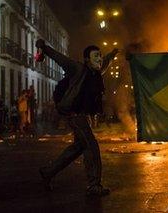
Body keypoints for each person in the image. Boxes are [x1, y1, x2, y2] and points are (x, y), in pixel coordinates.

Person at [36, 39, 118, 197]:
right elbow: (60, 58)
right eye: (96, 56)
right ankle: (94, 185)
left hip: (83, 116)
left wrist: (112, 54)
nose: (99, 58)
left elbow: (105, 63)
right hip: (74, 114)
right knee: (91, 146)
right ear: (87, 59)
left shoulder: (96, 72)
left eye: (100, 55)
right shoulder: (78, 69)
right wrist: (44, 48)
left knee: (78, 148)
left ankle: (48, 172)